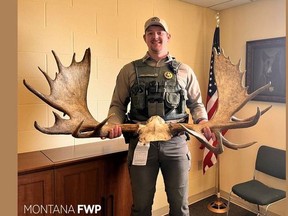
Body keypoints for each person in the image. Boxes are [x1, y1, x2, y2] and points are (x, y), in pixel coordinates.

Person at [105, 17, 213, 216]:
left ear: (168, 37)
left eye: (160, 32)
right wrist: (113, 124)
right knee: (141, 206)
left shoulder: (184, 71)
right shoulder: (129, 70)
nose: (155, 36)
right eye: (150, 33)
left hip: (175, 144)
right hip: (141, 144)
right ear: (144, 38)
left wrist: (203, 120)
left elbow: (196, 104)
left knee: (180, 206)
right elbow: (117, 105)